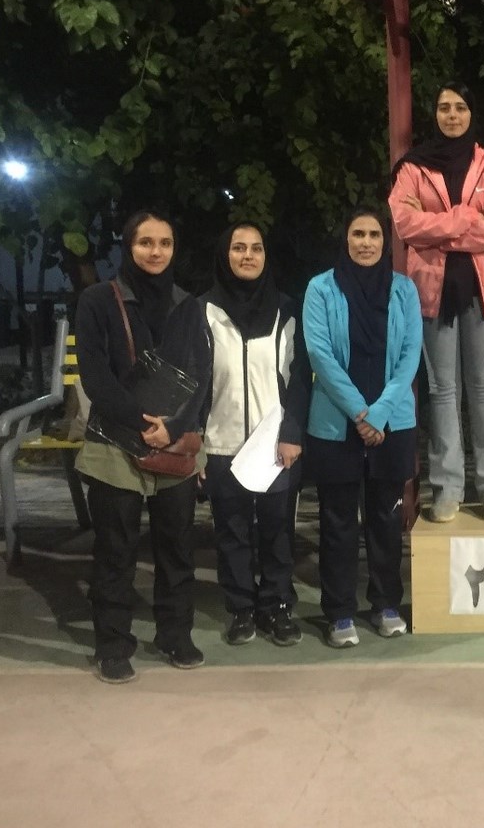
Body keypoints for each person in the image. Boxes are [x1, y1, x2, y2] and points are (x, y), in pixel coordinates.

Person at [73, 210, 210, 684]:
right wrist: (140, 423)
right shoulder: (98, 301)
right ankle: (113, 645)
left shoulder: (187, 305)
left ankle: (175, 635)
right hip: (115, 442)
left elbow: (202, 375)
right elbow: (95, 375)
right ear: (128, 246)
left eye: (165, 243)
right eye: (145, 242)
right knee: (115, 550)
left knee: (177, 548)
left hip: (172, 443)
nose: (156, 252)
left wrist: (175, 428)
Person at [389, 81, 484, 523]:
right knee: (442, 391)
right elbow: (405, 225)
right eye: (444, 107)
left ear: (471, 113)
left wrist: (437, 227)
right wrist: (464, 218)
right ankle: (447, 489)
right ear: (435, 114)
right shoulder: (413, 167)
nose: (452, 115)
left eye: (460, 107)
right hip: (430, 291)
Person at [303, 210, 422, 648]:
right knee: (337, 524)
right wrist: (360, 412)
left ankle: (386, 604)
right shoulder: (320, 288)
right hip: (336, 425)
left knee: (386, 521)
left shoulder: (404, 290)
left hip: (392, 424)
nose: (366, 242)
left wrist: (380, 413)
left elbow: (410, 354)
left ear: (385, 242)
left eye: (374, 234)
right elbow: (319, 354)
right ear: (346, 238)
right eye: (358, 234)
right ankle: (339, 612)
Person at [200, 223, 310, 648]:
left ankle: (277, 605)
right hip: (221, 442)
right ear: (224, 254)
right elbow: (195, 382)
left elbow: (299, 379)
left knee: (278, 530)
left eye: (256, 248)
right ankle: (241, 608)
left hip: (275, 444)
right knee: (231, 532)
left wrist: (292, 432)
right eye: (239, 248)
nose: (248, 255)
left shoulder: (286, 309)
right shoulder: (204, 310)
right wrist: (196, 442)